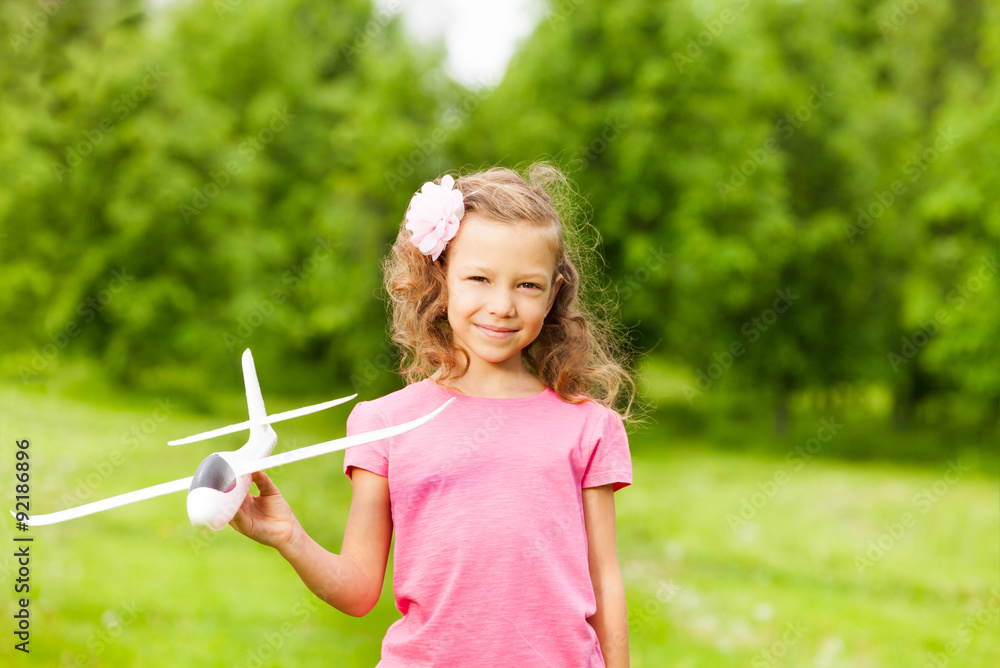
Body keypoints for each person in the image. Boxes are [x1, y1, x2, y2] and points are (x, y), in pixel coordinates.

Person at [230, 163, 639, 667]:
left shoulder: (588, 428)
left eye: (527, 286)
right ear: (441, 280)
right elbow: (359, 591)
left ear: (554, 293)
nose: (502, 305)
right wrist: (288, 537)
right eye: (478, 278)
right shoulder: (385, 424)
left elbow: (605, 581)